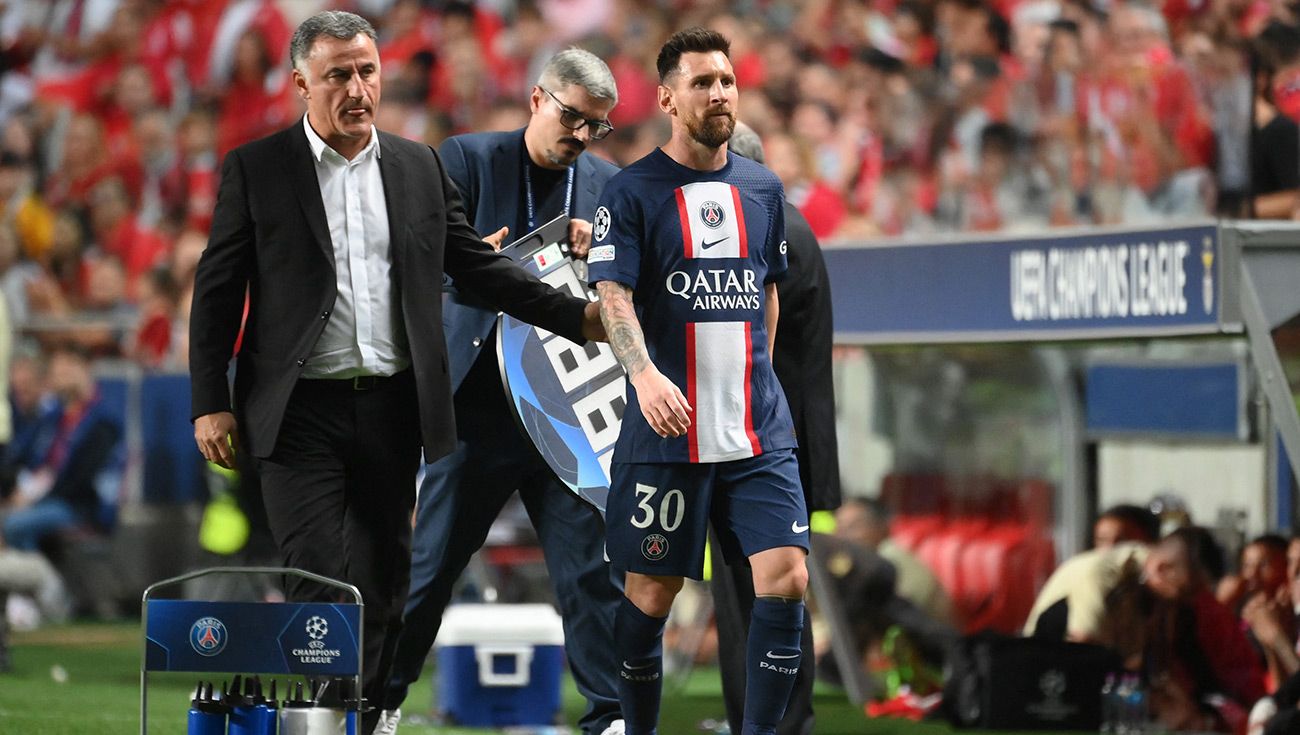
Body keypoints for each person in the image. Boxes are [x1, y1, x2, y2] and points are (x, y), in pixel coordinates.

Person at [187, 12, 604, 735]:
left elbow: (477, 267)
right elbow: (217, 291)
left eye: (368, 71)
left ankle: (368, 713)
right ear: (300, 85)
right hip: (297, 412)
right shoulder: (257, 168)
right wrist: (209, 402)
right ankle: (322, 717)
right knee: (320, 577)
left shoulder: (417, 166)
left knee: (385, 587)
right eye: (338, 75)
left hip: (392, 407)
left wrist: (580, 318)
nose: (358, 88)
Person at [382, 48, 624, 735]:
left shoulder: (608, 187)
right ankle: (381, 700)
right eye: (572, 116)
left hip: (568, 410)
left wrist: (597, 256)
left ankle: (609, 716)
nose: (580, 135)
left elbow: (628, 290)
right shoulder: (465, 159)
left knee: (587, 575)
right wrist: (470, 264)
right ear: (536, 98)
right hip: (476, 409)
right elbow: (414, 263)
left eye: (595, 126)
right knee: (429, 568)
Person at [587, 27, 809, 735]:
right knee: (650, 595)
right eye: (702, 83)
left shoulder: (762, 188)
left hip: (755, 432)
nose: (718, 94)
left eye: (726, 81)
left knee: (788, 578)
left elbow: (766, 289)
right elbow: (613, 296)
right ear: (668, 99)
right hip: (666, 435)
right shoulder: (631, 192)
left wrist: (757, 375)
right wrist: (645, 375)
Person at [708, 120, 840, 735]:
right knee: (761, 599)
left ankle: (781, 726)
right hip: (769, 439)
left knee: (766, 600)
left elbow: (744, 344)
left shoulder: (765, 229)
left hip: (762, 443)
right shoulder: (784, 222)